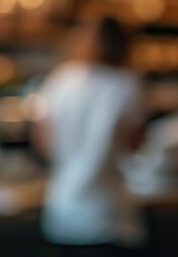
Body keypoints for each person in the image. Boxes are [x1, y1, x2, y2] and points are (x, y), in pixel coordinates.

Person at [35, 16, 146, 256]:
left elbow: (43, 143)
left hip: (62, 211)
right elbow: (134, 146)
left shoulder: (60, 80)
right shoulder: (127, 84)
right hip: (110, 215)